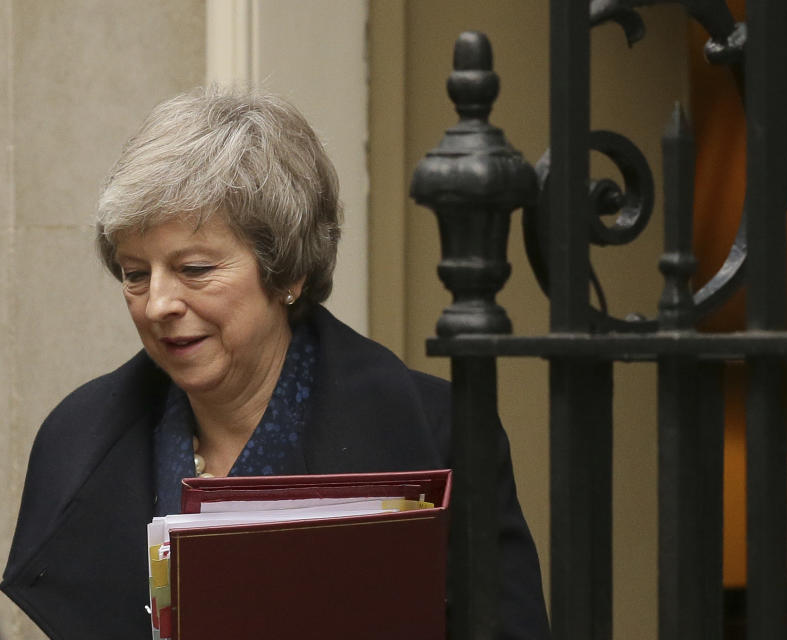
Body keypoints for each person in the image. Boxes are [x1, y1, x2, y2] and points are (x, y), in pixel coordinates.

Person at [1, 87, 549, 639]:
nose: (158, 304)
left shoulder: (438, 433)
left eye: (193, 269)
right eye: (135, 273)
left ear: (287, 272)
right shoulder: (75, 439)